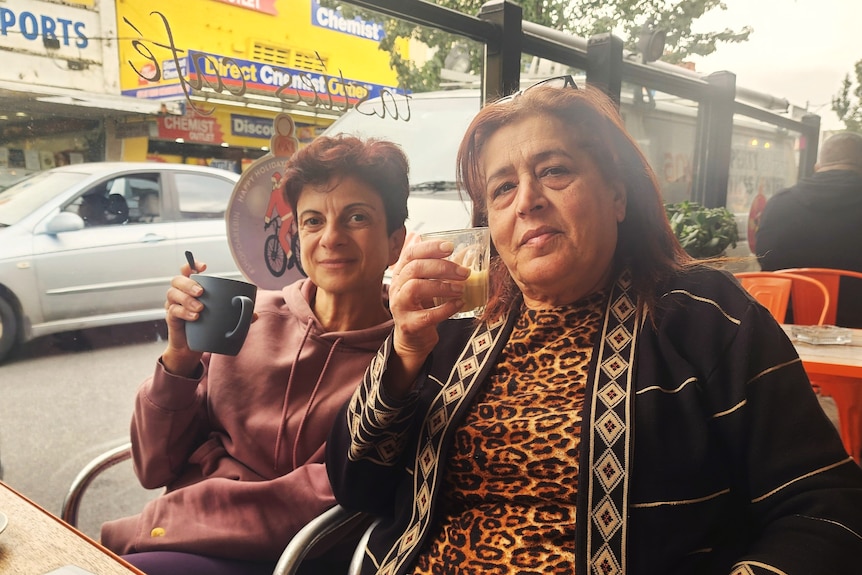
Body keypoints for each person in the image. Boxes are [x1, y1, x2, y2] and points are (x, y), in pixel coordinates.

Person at [326, 79, 862, 575]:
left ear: (617, 196)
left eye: (555, 171)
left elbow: (826, 509)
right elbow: (356, 486)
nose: (529, 199)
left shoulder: (703, 317)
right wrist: (402, 355)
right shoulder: (455, 325)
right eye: (503, 189)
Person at [100, 134, 409, 574]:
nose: (331, 238)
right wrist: (180, 358)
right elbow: (153, 467)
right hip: (177, 540)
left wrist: (176, 517)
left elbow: (327, 502)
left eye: (356, 217)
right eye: (313, 221)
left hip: (299, 557)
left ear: (395, 242)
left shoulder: (407, 356)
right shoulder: (247, 315)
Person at [755, 131, 862, 326]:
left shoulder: (779, 203)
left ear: (818, 167)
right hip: (857, 331)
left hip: (784, 331)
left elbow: (765, 262)